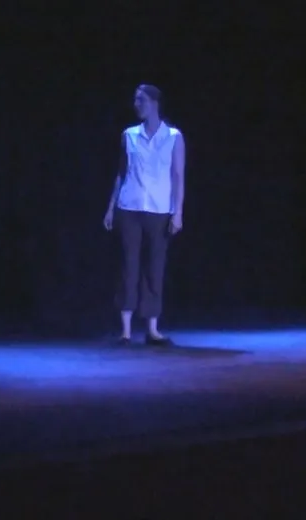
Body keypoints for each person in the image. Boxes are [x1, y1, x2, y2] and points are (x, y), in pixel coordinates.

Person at [102, 84, 186, 346]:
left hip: (159, 209)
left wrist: (178, 212)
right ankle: (126, 330)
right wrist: (110, 207)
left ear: (154, 103)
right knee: (129, 265)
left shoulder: (173, 136)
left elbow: (178, 176)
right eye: (135, 100)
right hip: (129, 207)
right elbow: (121, 173)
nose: (136, 104)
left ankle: (152, 329)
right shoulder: (129, 135)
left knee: (155, 267)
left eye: (141, 100)